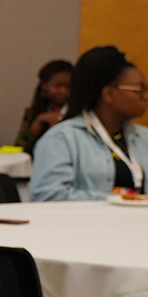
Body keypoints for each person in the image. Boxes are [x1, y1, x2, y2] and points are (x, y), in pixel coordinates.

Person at [31, 46, 148, 201]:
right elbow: (48, 196)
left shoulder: (143, 136)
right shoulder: (62, 138)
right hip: (84, 224)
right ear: (108, 94)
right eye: (139, 90)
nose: (145, 96)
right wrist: (117, 200)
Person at [13, 59, 72, 153]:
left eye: (68, 87)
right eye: (58, 86)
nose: (63, 91)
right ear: (44, 86)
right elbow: (18, 148)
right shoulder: (32, 112)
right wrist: (37, 124)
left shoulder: (78, 113)